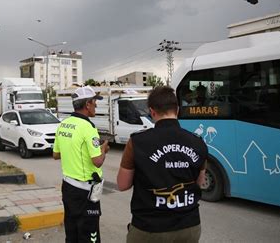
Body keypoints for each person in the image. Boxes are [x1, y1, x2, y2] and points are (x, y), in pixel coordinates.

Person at [117, 86, 208, 243]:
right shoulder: (198, 142)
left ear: (152, 112)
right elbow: (200, 182)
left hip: (149, 229)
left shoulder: (137, 142)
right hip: (189, 227)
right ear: (177, 110)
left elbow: (122, 184)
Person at [53, 86, 110, 243]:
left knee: (72, 233)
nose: (96, 106)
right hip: (86, 192)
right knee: (90, 236)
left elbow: (56, 155)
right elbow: (97, 161)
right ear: (87, 105)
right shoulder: (88, 127)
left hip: (68, 188)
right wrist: (103, 148)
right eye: (94, 102)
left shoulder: (63, 124)